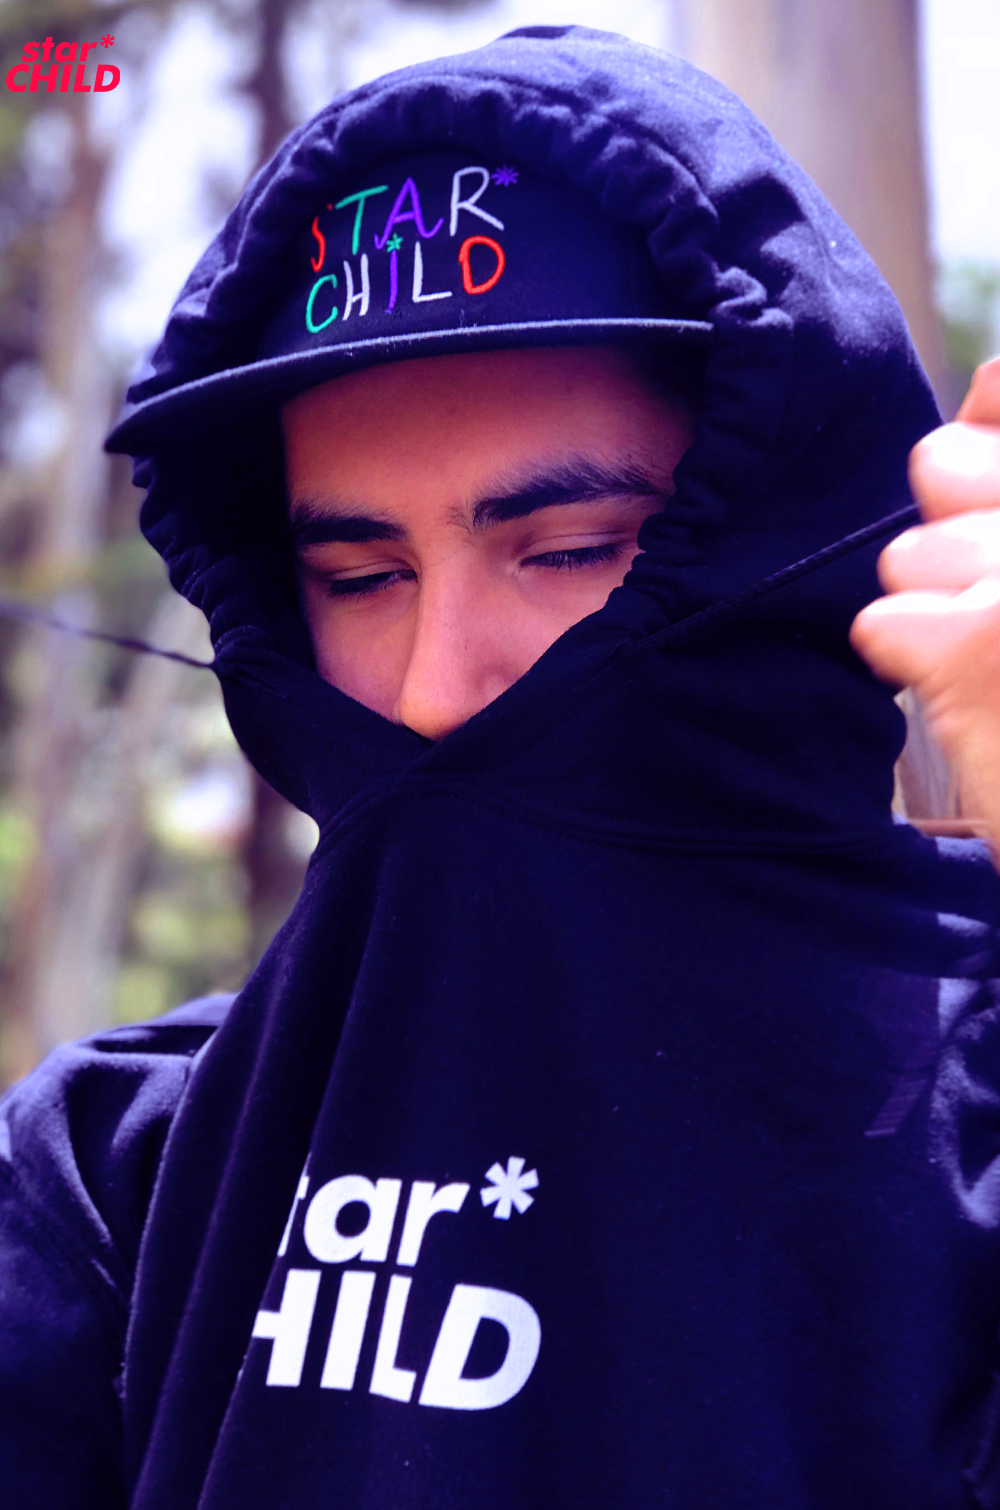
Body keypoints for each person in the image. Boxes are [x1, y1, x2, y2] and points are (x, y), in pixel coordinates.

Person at [3, 24, 1000, 1510]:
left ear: (786, 534)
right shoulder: (117, 1165)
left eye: (569, 551)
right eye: (357, 577)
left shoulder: (970, 1103)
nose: (431, 686)